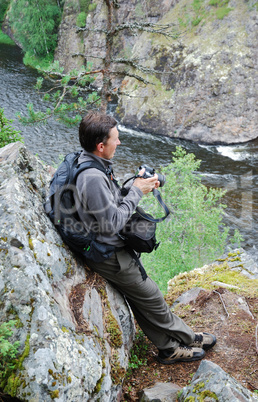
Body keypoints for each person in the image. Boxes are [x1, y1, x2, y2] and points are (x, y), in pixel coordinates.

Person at [75, 111, 216, 364]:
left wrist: (136, 186)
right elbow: (110, 224)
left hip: (103, 245)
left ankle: (168, 347)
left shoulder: (92, 162)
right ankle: (187, 339)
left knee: (142, 298)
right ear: (100, 145)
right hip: (107, 253)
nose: (119, 143)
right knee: (152, 296)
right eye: (115, 139)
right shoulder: (92, 177)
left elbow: (107, 204)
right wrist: (136, 193)